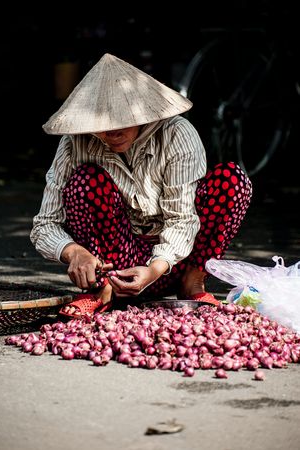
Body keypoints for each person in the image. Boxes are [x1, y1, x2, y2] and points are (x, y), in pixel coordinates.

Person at [30, 53, 252, 318]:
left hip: (176, 261)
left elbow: (182, 220)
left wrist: (155, 268)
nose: (112, 132)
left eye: (122, 120)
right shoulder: (74, 143)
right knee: (86, 181)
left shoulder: (176, 134)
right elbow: (44, 225)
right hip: (115, 265)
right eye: (102, 124)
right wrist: (74, 252)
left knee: (232, 180)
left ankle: (192, 283)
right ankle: (102, 291)